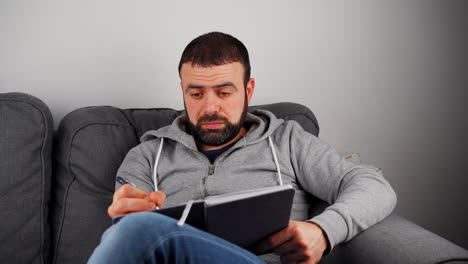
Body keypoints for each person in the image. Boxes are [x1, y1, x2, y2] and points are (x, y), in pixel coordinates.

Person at [88, 32, 397, 264]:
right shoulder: (147, 156)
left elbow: (373, 186)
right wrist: (126, 216)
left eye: (224, 92)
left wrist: (323, 231)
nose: (210, 107)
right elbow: (129, 239)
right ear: (182, 91)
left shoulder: (287, 140)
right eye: (196, 94)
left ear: (248, 89)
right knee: (136, 228)